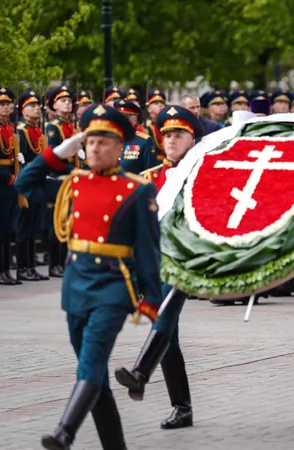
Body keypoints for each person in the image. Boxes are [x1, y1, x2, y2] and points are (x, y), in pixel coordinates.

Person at [14, 104, 161, 450]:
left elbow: (148, 250)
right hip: (76, 287)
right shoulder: (74, 184)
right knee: (95, 376)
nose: (94, 148)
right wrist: (57, 153)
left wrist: (151, 299)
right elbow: (24, 182)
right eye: (90, 141)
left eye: (103, 142)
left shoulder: (138, 190)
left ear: (120, 147)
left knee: (91, 363)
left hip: (113, 288)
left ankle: (65, 433)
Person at [115, 105, 203, 430]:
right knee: (170, 338)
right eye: (167, 135)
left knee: (163, 315)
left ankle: (139, 372)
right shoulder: (152, 177)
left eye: (178, 135)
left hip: (186, 263)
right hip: (155, 264)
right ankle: (183, 407)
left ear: (193, 138)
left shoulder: (204, 176)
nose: (171, 141)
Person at [15, 88, 49, 282]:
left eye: (37, 105)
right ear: (23, 110)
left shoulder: (37, 131)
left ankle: (30, 266)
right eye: (32, 106)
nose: (37, 109)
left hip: (37, 183)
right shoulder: (20, 131)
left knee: (33, 225)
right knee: (23, 226)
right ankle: (21, 267)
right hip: (27, 184)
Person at [45, 85, 76, 279]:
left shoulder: (70, 126)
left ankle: (62, 261)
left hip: (71, 177)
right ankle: (53, 263)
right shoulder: (53, 127)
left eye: (69, 100)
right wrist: (71, 170)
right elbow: (53, 156)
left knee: (67, 221)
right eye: (63, 100)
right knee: (57, 221)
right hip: (59, 177)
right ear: (54, 105)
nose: (67, 103)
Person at [0, 87, 20, 285]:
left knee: (7, 230)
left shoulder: (10, 129)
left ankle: (5, 270)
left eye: (8, 104)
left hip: (11, 183)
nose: (6, 107)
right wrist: (8, 175)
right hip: (1, 182)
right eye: (2, 104)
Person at [115, 99, 158, 174]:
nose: (122, 120)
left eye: (127, 116)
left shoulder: (144, 141)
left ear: (135, 119)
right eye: (119, 116)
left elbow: (150, 174)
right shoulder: (109, 139)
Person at [146, 89, 167, 161]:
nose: (160, 105)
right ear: (149, 109)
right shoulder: (145, 127)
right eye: (155, 103)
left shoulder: (167, 125)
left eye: (162, 103)